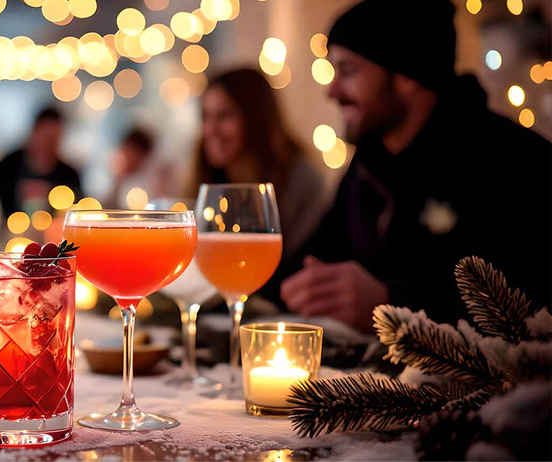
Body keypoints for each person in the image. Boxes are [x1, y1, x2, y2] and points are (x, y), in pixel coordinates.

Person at [270, 0, 552, 331]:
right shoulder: (369, 164)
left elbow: (526, 302)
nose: (331, 92)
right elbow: (309, 262)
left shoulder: (514, 161)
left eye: (348, 71)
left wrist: (391, 303)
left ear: (407, 75)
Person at [192, 69, 329, 257]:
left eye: (224, 116)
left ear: (255, 118)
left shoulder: (300, 180)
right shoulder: (207, 178)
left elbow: (302, 261)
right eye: (206, 116)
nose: (210, 129)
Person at [0, 108, 82, 217]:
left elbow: (77, 211)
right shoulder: (7, 167)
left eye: (53, 139)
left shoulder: (69, 175)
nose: (47, 145)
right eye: (45, 137)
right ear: (34, 133)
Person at [106, 127, 174, 208]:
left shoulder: (154, 180)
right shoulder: (118, 177)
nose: (128, 160)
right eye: (126, 153)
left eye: (133, 155)